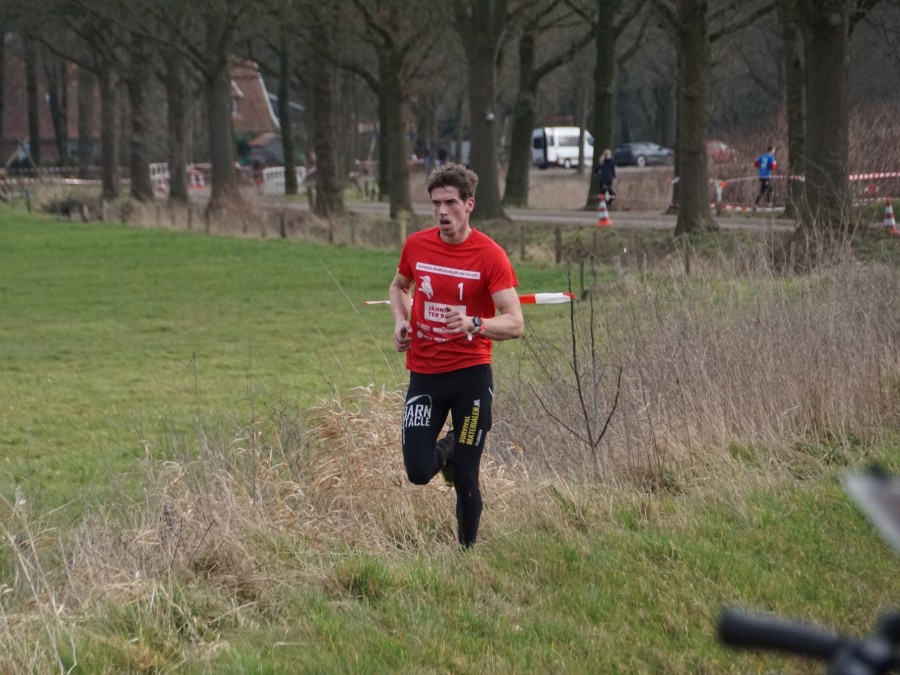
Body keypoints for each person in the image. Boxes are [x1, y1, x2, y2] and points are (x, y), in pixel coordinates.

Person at [388, 163, 524, 548]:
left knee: (465, 476)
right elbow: (398, 286)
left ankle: (466, 556)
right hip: (425, 376)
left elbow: (515, 322)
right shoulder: (417, 245)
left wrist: (474, 324)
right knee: (418, 470)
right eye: (436, 204)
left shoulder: (490, 256)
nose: (442, 212)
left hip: (470, 379)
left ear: (469, 205)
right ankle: (446, 448)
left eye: (450, 203)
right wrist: (400, 321)